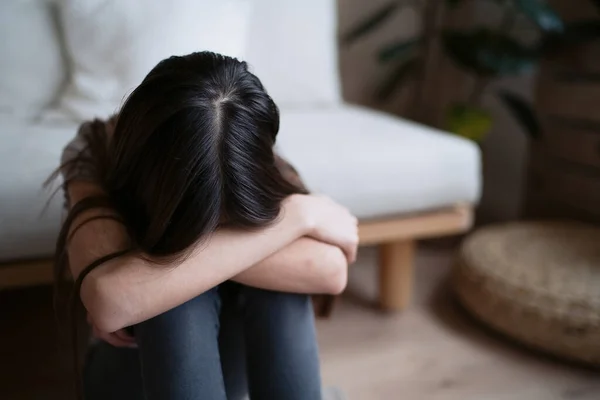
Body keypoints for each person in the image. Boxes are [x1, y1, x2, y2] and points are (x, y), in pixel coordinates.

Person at [54, 51, 359, 400]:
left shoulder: (235, 145)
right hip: (132, 381)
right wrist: (298, 217)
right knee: (176, 303)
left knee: (276, 290)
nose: (216, 226)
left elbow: (329, 270)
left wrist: (164, 268)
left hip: (234, 375)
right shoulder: (96, 150)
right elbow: (110, 300)